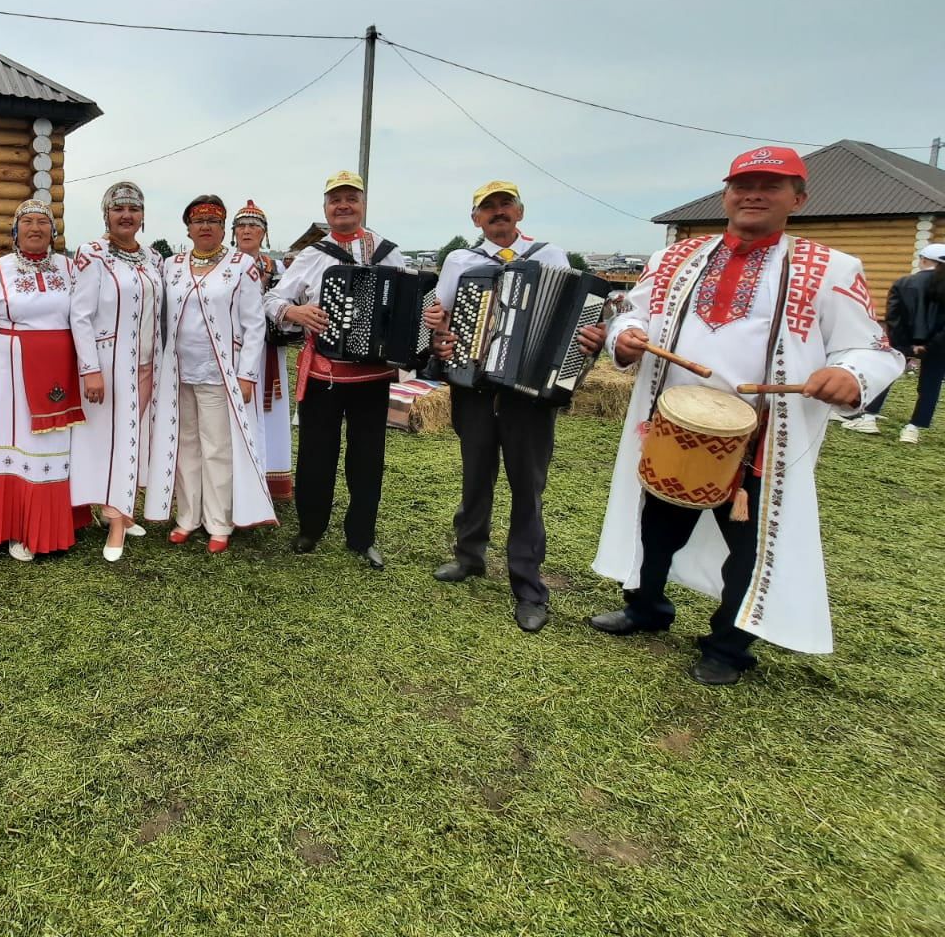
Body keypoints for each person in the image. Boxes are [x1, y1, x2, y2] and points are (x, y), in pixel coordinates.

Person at [590, 147, 904, 685]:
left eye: (771, 185)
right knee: (656, 527)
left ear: (798, 199)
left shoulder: (831, 268)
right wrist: (626, 338)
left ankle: (729, 646)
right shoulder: (676, 258)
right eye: (743, 184)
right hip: (673, 427)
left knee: (749, 547)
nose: (753, 194)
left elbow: (876, 350)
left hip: (760, 437)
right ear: (727, 193)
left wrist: (852, 375)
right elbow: (631, 315)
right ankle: (646, 608)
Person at [423, 181, 603, 632]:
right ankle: (470, 556)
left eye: (505, 205)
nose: (498, 213)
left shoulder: (551, 256)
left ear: (519, 211)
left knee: (528, 488)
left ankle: (528, 586)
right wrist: (440, 336)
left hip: (531, 393)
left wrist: (588, 340)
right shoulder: (461, 260)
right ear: (475, 218)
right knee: (475, 475)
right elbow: (437, 314)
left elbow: (572, 316)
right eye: (489, 208)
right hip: (475, 385)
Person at [264, 170, 405, 569]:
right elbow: (272, 300)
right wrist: (294, 310)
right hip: (325, 372)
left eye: (351, 198)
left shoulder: (389, 253)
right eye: (335, 199)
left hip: (374, 376)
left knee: (368, 457)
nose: (343, 205)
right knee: (316, 454)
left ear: (362, 203)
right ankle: (311, 528)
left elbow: (411, 298)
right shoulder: (313, 256)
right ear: (325, 207)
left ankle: (362, 536)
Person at [0, 198, 86, 562]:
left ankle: (56, 525)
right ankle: (17, 527)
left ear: (53, 231)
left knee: (55, 446)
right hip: (11, 369)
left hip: (60, 368)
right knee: (18, 444)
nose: (35, 228)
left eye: (42, 222)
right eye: (26, 221)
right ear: (15, 230)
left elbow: (87, 318)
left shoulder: (70, 268)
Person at [143, 195, 274, 550]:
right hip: (177, 372)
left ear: (222, 228)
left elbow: (254, 324)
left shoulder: (241, 265)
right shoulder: (171, 265)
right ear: (187, 228)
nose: (205, 227)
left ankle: (218, 521)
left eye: (213, 222)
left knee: (216, 447)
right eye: (198, 221)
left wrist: (246, 373)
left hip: (220, 372)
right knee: (184, 445)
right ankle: (187, 516)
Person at [70, 181, 163, 561]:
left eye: (133, 209)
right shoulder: (93, 254)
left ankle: (125, 511)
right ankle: (113, 523)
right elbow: (80, 314)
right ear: (106, 214)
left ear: (142, 216)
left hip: (146, 364)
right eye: (118, 208)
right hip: (109, 363)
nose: (126, 215)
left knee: (135, 438)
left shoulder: (153, 258)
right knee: (110, 441)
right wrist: (90, 368)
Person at [231, 199, 294, 502]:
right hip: (233, 350)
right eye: (241, 225)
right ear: (233, 232)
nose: (247, 231)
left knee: (272, 413)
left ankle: (270, 482)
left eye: (254, 226)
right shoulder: (225, 263)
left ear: (264, 233)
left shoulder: (276, 267)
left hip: (269, 350)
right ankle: (236, 482)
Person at [882, 242, 945, 445]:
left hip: (904, 343)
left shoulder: (903, 282)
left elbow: (894, 318)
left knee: (887, 374)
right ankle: (913, 429)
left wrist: (908, 346)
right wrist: (930, 345)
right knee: (930, 384)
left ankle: (868, 417)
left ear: (924, 260)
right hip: (939, 347)